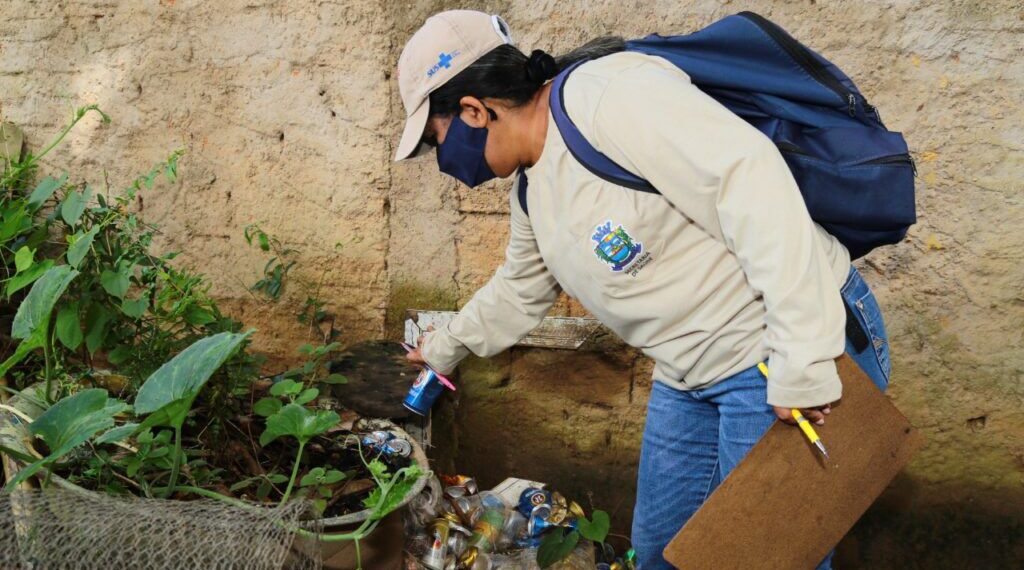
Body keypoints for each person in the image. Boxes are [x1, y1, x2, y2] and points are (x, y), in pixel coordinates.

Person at [394, 10, 891, 569]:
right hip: (689, 376)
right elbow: (520, 288)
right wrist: (443, 349)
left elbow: (751, 181)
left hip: (773, 354)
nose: (444, 163)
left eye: (438, 143)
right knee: (659, 557)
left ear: (473, 110)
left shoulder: (606, 97)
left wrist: (804, 356)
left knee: (760, 559)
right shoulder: (534, 187)